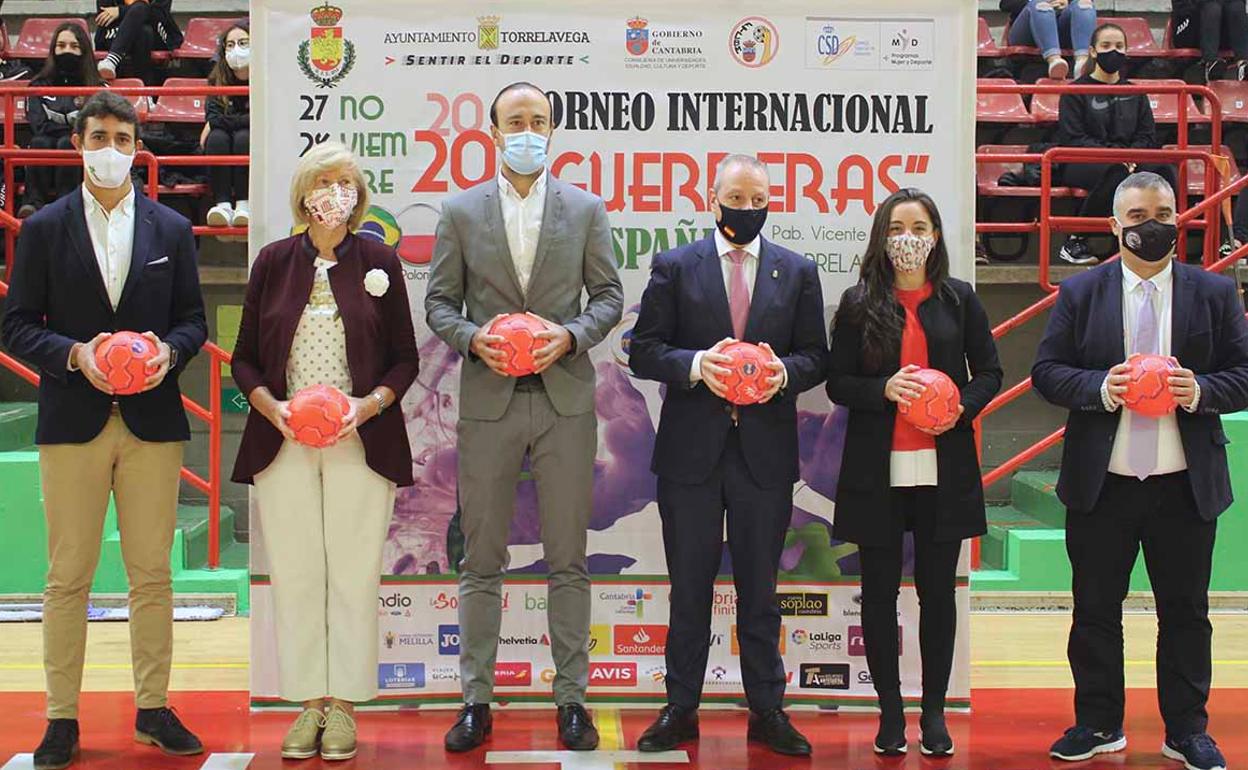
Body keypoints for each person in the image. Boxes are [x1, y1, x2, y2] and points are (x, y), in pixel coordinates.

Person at [0, 90, 207, 770]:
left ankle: (153, 708)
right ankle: (61, 718)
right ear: (78, 143)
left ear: (137, 145)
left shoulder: (171, 229)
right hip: (73, 419)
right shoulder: (43, 228)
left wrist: (168, 353)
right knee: (68, 578)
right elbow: (17, 324)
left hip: (152, 421)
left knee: (152, 575)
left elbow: (193, 323)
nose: (111, 149)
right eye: (99, 136)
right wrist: (75, 355)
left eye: (123, 137)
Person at [425, 81, 623, 754]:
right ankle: (476, 700)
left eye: (539, 120)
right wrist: (473, 338)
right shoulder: (459, 212)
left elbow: (610, 296)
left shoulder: (587, 209)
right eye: (517, 120)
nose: (528, 130)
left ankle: (572, 700)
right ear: (493, 131)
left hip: (565, 399)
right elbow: (440, 304)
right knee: (482, 560)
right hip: (489, 402)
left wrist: (569, 335)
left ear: (553, 129)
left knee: (569, 560)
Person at [1033, 172, 1248, 770]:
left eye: (1162, 212)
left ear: (1179, 218)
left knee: (1186, 613)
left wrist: (1199, 389)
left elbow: (1244, 374)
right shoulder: (1081, 293)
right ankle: (1098, 724)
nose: (1150, 224)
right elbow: (1048, 372)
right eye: (1137, 215)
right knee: (1095, 611)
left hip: (1185, 485)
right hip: (1103, 486)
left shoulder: (1214, 292)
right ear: (1114, 225)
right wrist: (1102, 386)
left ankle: (1187, 730)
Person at [627, 155, 827, 758]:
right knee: (688, 588)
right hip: (691, 456)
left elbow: (817, 357)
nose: (747, 206)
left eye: (757, 196)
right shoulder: (674, 266)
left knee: (760, 591)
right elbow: (643, 350)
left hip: (763, 457)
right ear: (712, 201)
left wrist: (779, 373)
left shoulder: (797, 271)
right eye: (736, 196)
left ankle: (768, 709)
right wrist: (695, 365)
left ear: (771, 201)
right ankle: (680, 708)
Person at [230, 141, 418, 762]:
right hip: (282, 441)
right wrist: (275, 410)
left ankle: (344, 707)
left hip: (359, 443)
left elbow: (403, 359)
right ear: (304, 193)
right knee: (299, 574)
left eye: (345, 183)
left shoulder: (380, 260)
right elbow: (246, 360)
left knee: (353, 574)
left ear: (357, 197)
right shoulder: (272, 262)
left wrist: (365, 408)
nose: (334, 193)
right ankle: (308, 702)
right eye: (324, 181)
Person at [826, 189, 1002, 757]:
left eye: (919, 226)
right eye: (898, 226)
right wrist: (883, 389)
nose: (909, 236)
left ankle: (933, 715)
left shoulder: (961, 299)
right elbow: (837, 383)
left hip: (942, 467)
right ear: (882, 237)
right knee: (877, 595)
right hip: (878, 470)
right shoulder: (857, 303)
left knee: (937, 595)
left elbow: (991, 373)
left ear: (935, 236)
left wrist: (959, 405)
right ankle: (888, 715)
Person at [1054, 23, 1178, 266]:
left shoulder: (1136, 93)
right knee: (1117, 171)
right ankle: (1075, 239)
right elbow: (1073, 138)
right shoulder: (1074, 92)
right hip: (1083, 160)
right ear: (1092, 51)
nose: (1114, 51)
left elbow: (1147, 136)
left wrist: (1132, 156)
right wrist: (1116, 156)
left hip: (1129, 160)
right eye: (1106, 46)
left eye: (1119, 46)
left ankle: (1166, 238)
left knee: (1163, 170)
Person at [19, 23, 101, 218]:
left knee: (68, 142)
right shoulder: (38, 85)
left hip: (81, 147)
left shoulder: (97, 86)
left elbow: (93, 126)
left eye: (74, 46)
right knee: (39, 142)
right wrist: (69, 129)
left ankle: (68, 203)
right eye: (61, 45)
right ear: (53, 50)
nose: (67, 51)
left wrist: (66, 132)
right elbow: (37, 125)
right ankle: (32, 203)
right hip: (46, 141)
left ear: (84, 51)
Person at [202, 21, 250, 229]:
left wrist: (229, 121)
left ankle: (244, 204)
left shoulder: (266, 77)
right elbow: (213, 118)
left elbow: (259, 119)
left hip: (246, 139)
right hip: (224, 136)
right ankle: (222, 205)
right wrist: (240, 120)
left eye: (242, 42)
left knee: (243, 137)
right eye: (230, 45)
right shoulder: (217, 79)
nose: (235, 49)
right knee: (217, 138)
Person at [1003, 0, 1098, 79]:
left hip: (1062, 27)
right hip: (1026, 31)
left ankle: (1082, 62)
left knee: (1084, 4)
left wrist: (1066, 2)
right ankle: (1054, 61)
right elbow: (1007, 4)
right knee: (1040, 5)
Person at [94, 0, 183, 84]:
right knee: (143, 31)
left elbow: (159, 13)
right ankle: (147, 95)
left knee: (142, 14)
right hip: (114, 32)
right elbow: (104, 14)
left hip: (156, 32)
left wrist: (120, 11)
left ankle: (112, 60)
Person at [1171, 0, 1248, 83]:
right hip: (1190, 26)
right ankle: (1211, 63)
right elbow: (1182, 8)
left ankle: (1243, 64)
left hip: (1223, 28)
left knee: (1236, 6)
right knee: (1212, 7)